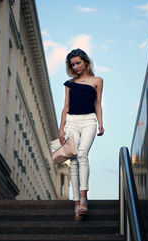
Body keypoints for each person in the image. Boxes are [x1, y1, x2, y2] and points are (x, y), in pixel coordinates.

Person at [59, 49, 104, 221]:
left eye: (78, 63)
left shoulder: (97, 81)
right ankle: (76, 202)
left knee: (83, 153)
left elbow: (98, 104)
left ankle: (83, 196)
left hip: (88, 121)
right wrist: (61, 128)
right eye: (73, 65)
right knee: (75, 160)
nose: (76, 67)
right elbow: (66, 107)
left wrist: (101, 123)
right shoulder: (69, 84)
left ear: (85, 62)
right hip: (71, 122)